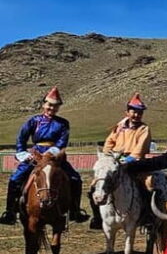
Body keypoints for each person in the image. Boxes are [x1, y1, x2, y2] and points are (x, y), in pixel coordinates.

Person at [1, 87, 88, 225]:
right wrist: (23, 154)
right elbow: (21, 138)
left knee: (75, 178)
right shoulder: (34, 121)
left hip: (55, 157)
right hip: (35, 156)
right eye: (49, 105)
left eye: (55, 106)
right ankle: (10, 211)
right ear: (44, 105)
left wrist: (49, 154)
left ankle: (75, 210)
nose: (52, 108)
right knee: (15, 178)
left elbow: (62, 142)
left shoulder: (63, 123)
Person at [89, 93, 153, 229]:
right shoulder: (119, 127)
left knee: (147, 185)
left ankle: (148, 215)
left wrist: (127, 159)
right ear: (127, 112)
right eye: (134, 112)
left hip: (135, 163)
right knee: (94, 186)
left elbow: (140, 149)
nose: (137, 115)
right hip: (115, 161)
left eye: (140, 113)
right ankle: (97, 217)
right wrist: (108, 157)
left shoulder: (144, 129)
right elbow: (109, 142)